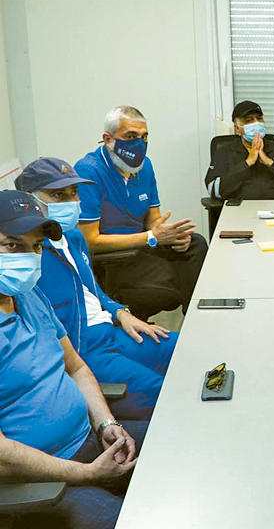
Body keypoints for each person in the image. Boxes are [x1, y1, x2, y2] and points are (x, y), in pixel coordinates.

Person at [0, 190, 145, 529]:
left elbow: (76, 367)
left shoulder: (29, 296)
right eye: (12, 246)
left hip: (91, 442)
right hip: (41, 481)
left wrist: (107, 424)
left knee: (181, 448)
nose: (29, 257)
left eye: (36, 246)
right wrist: (87, 473)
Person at [15, 157, 177, 421]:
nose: (72, 202)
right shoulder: (26, 256)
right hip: (82, 350)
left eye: (74, 192)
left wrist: (121, 312)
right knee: (170, 392)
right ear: (29, 199)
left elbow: (90, 289)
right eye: (58, 195)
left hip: (112, 331)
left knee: (187, 349)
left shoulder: (73, 236)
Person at [74, 105, 207, 320]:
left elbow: (153, 219)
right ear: (107, 139)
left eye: (144, 137)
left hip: (141, 246)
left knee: (195, 244)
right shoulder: (88, 171)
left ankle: (196, 317)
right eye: (131, 136)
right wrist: (151, 237)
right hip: (113, 258)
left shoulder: (144, 166)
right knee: (174, 284)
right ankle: (190, 315)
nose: (139, 144)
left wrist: (169, 235)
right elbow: (89, 241)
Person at [205, 100, 274, 200]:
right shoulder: (225, 151)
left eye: (259, 119)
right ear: (237, 129)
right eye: (248, 120)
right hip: (241, 208)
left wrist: (270, 163)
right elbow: (214, 189)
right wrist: (248, 163)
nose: (256, 123)